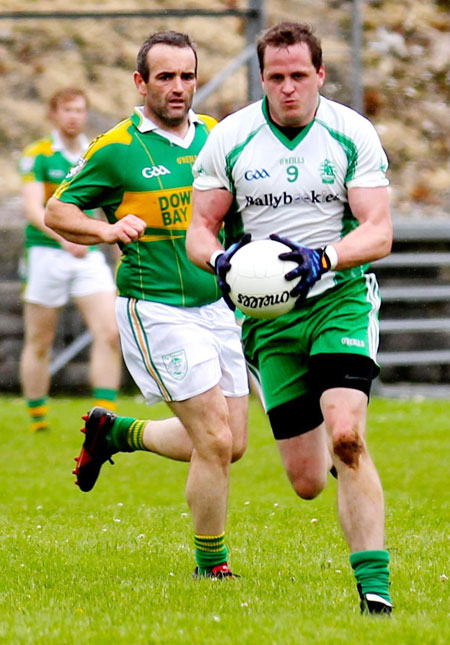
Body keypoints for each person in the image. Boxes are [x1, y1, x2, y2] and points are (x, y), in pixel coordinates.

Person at [186, 22, 394, 613]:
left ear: (320, 75)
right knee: (306, 480)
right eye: (276, 77)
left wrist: (322, 257)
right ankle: (343, 487)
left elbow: (378, 231)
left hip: (339, 297)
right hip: (268, 322)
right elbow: (199, 231)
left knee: (347, 436)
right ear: (262, 79)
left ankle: (373, 589)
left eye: (299, 75)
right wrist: (222, 261)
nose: (288, 88)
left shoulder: (352, 133)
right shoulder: (229, 139)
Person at [45, 31, 249, 578]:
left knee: (233, 445)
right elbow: (57, 212)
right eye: (165, 77)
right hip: (155, 308)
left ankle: (118, 432)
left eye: (187, 76)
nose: (178, 87)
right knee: (212, 439)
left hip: (217, 307)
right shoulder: (116, 148)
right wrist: (107, 229)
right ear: (141, 83)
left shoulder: (217, 137)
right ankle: (212, 566)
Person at [18, 88, 121, 432]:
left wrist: (107, 242)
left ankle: (104, 419)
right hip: (47, 253)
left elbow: (109, 203)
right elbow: (34, 208)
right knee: (40, 338)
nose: (74, 116)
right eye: (67, 110)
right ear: (54, 114)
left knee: (109, 332)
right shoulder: (39, 155)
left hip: (87, 253)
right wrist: (64, 237)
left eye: (79, 110)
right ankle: (38, 419)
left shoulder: (96, 151)